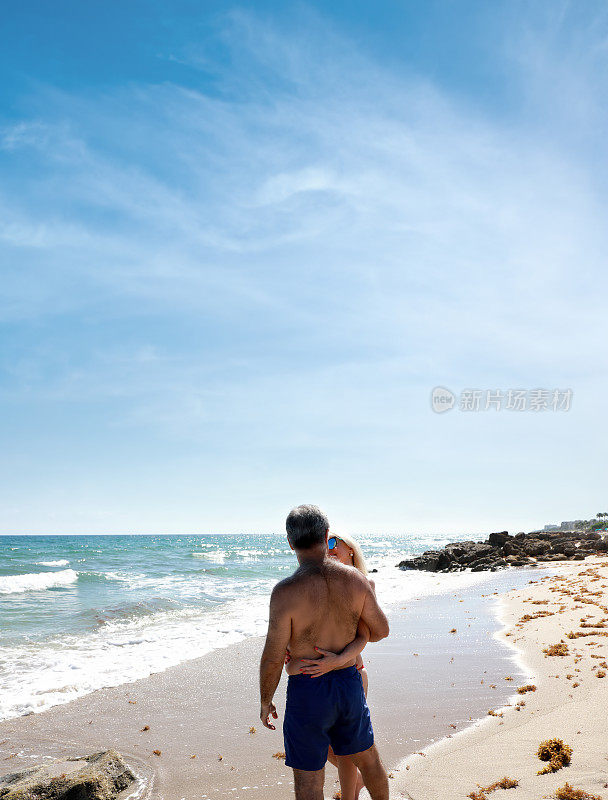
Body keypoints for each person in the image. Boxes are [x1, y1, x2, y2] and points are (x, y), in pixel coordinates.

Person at [259, 505, 390, 800]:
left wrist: (266, 700)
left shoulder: (285, 592)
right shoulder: (355, 580)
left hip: (308, 688)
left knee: (309, 783)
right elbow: (381, 631)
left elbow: (273, 656)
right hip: (347, 683)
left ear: (290, 542)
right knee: (368, 761)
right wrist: (346, 651)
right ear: (326, 535)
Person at [298, 532, 372, 800]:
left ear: (351, 549)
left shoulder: (362, 584)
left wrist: (338, 661)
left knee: (343, 746)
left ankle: (352, 793)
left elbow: (365, 636)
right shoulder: (321, 582)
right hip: (321, 676)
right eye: (324, 543)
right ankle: (361, 781)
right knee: (330, 746)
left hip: (351, 675)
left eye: (334, 542)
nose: (328, 548)